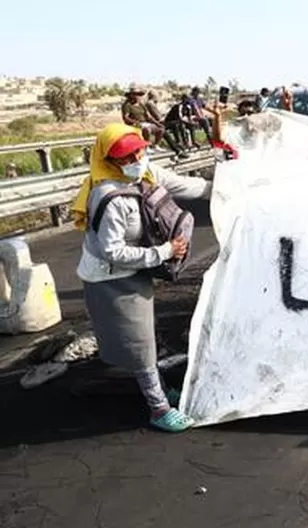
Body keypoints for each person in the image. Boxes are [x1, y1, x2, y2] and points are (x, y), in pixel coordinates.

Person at [70, 123, 215, 432]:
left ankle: (159, 391)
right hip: (110, 279)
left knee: (144, 337)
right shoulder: (107, 196)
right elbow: (113, 252)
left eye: (139, 150)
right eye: (126, 156)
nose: (136, 158)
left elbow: (187, 186)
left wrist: (228, 188)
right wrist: (163, 252)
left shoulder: (145, 173)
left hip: (136, 271)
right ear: (109, 160)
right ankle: (158, 408)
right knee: (139, 344)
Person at [121, 84, 163, 148]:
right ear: (131, 95)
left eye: (139, 95)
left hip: (144, 123)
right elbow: (126, 118)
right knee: (147, 130)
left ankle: (155, 145)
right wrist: (137, 122)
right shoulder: (127, 105)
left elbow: (148, 116)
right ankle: (146, 146)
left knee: (161, 129)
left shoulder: (141, 104)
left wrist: (157, 123)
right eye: (136, 95)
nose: (138, 96)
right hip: (134, 124)